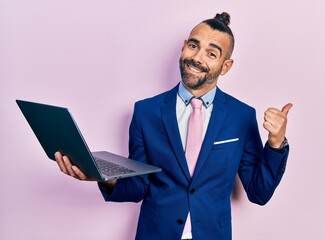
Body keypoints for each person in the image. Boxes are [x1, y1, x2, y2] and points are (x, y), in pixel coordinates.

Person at [55, 12, 292, 240]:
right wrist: (101, 177)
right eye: (193, 46)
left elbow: (259, 192)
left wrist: (275, 143)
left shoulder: (241, 116)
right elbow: (139, 186)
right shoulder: (145, 112)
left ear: (226, 66)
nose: (197, 58)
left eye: (211, 54)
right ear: (183, 47)